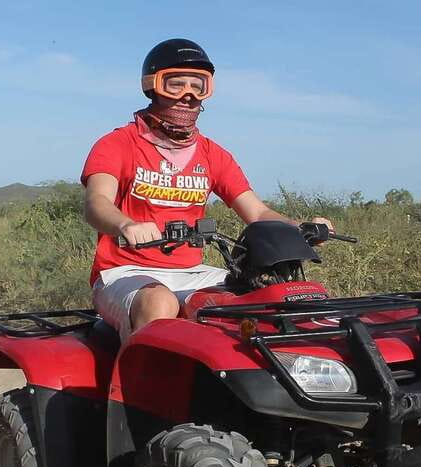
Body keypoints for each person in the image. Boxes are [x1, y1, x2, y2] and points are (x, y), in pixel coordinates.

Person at [81, 38, 332, 340]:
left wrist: (298, 228)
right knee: (159, 302)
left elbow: (257, 212)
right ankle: (136, 388)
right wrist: (126, 224)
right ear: (152, 86)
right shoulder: (118, 144)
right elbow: (96, 202)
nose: (188, 96)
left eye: (198, 86)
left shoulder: (213, 154)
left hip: (193, 272)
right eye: (175, 84)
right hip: (125, 273)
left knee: (265, 297)